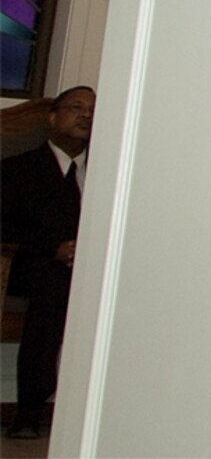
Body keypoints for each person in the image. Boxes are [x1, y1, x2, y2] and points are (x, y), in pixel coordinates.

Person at [2, 85, 93, 440]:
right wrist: (54, 248)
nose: (86, 115)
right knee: (54, 282)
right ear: (52, 117)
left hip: (94, 267)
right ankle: (29, 410)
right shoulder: (16, 170)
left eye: (93, 110)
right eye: (77, 107)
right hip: (30, 266)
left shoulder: (113, 173)